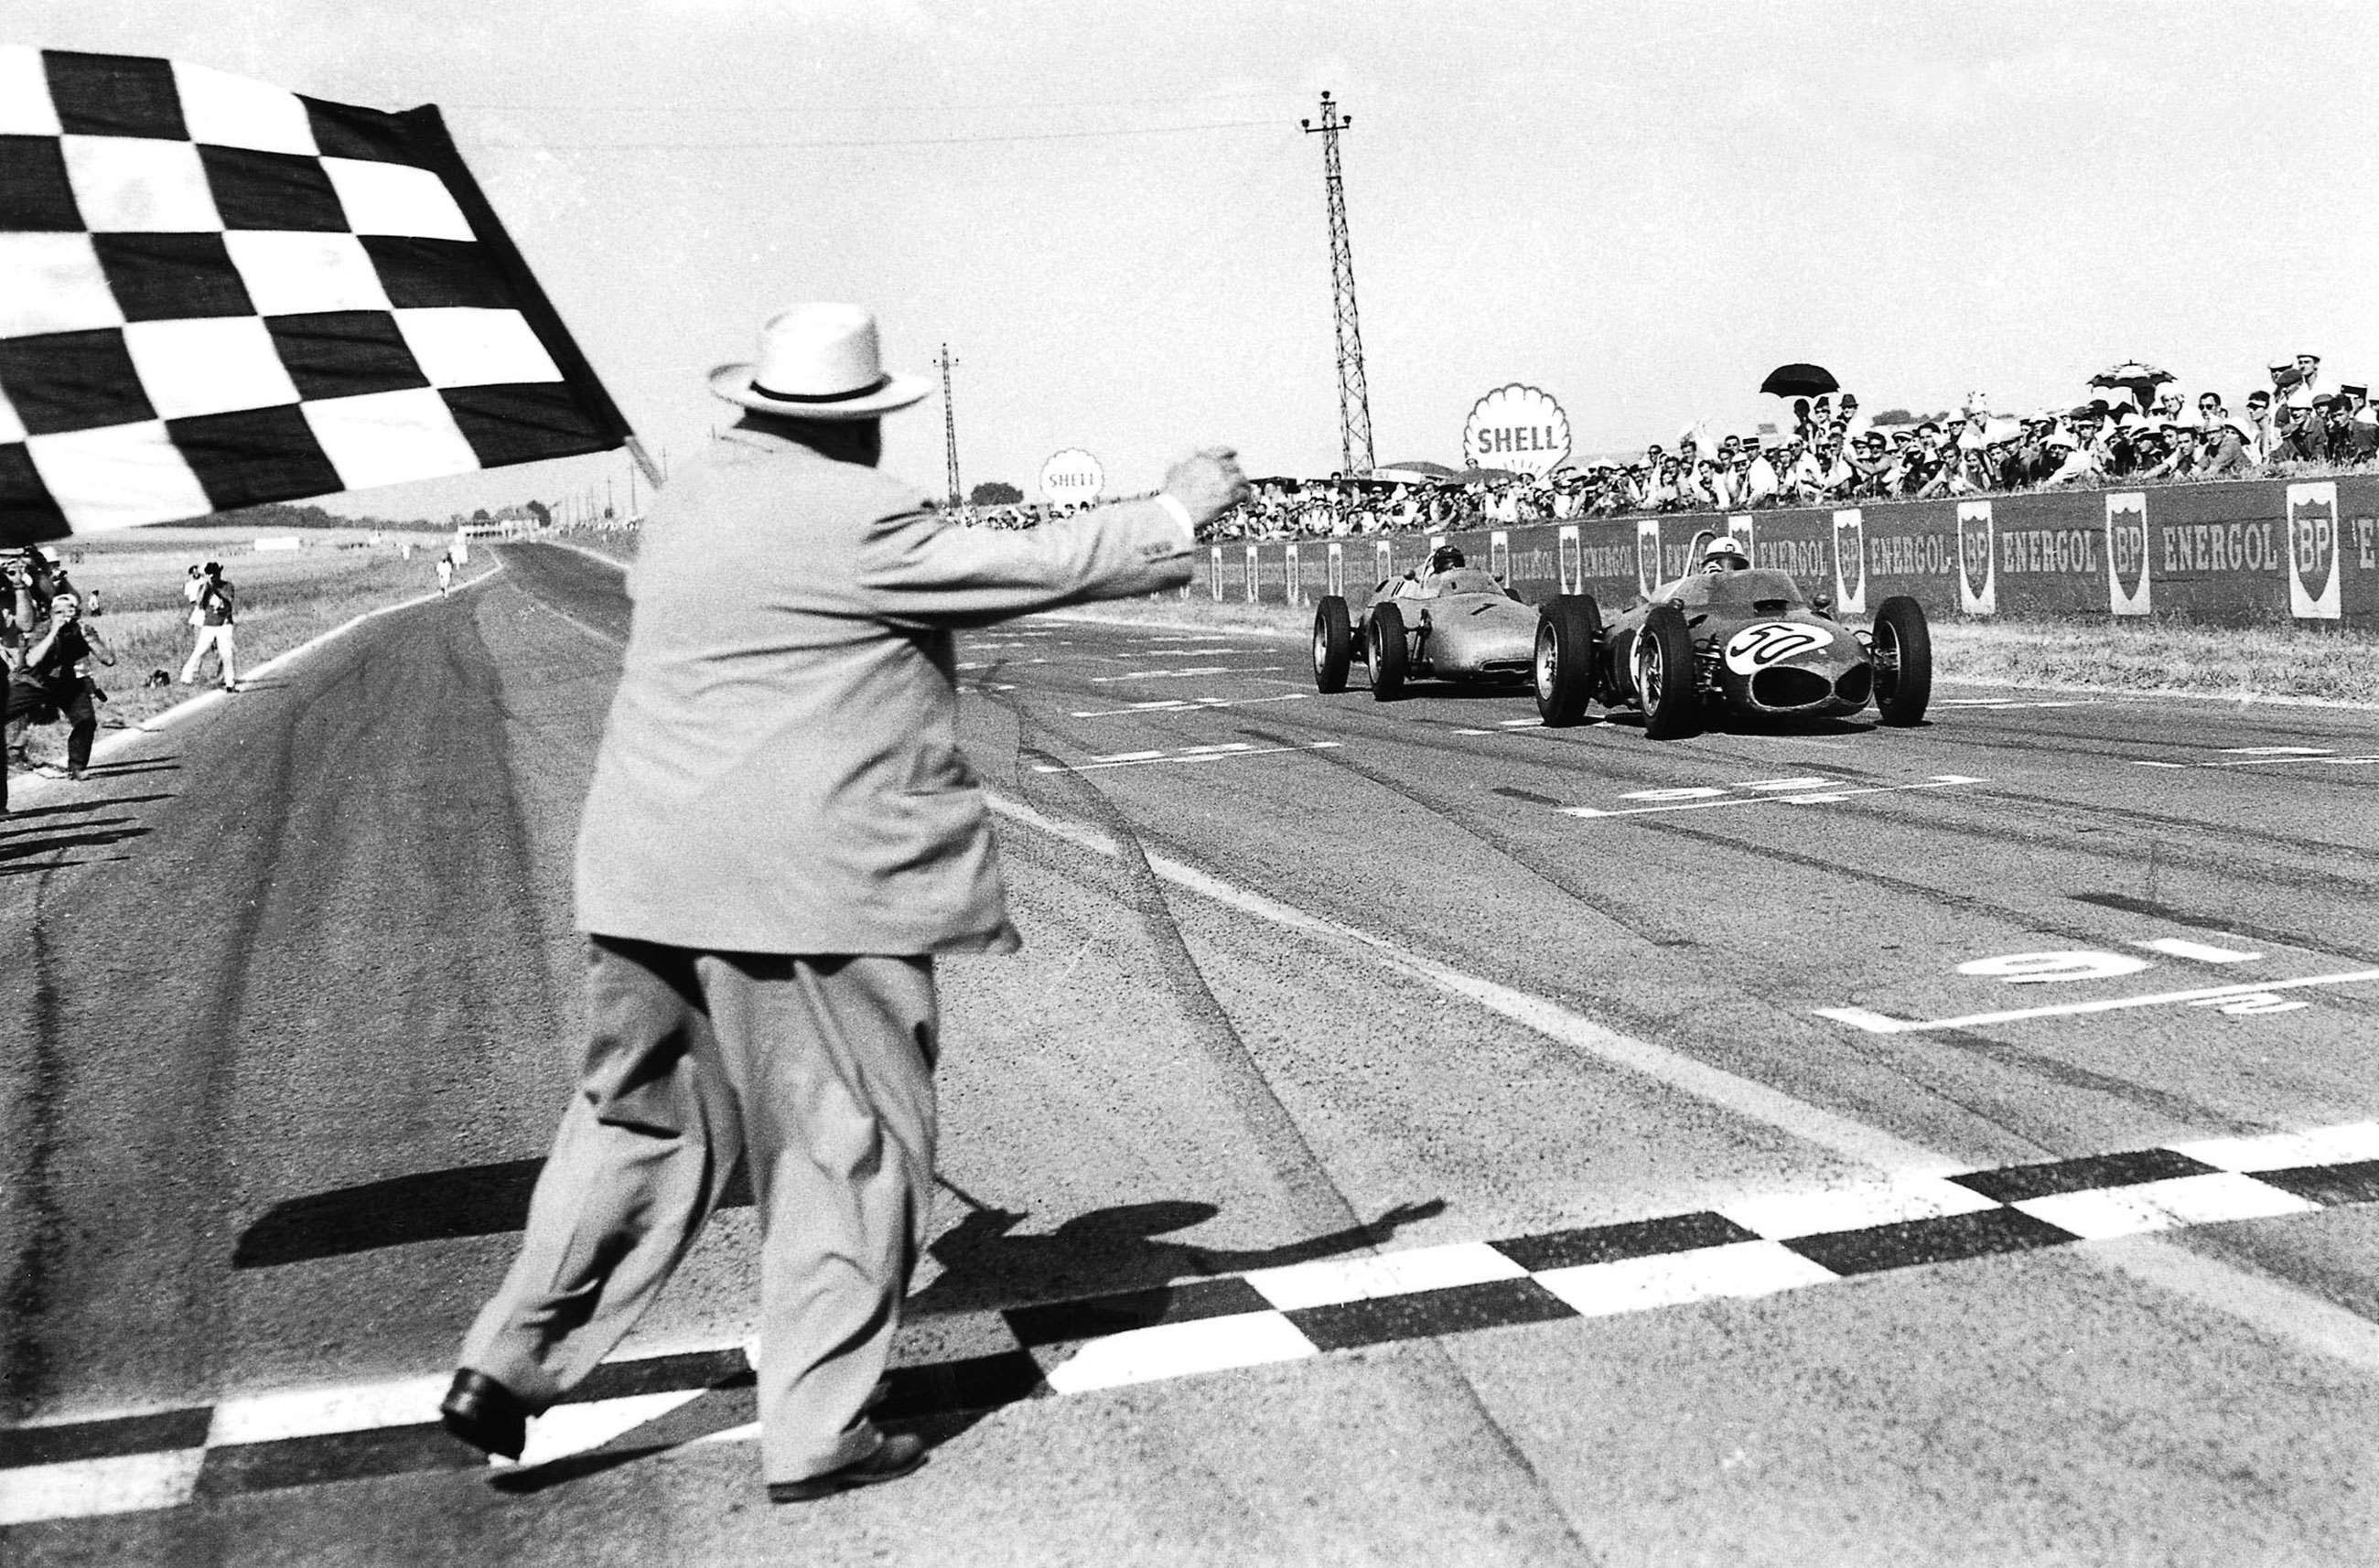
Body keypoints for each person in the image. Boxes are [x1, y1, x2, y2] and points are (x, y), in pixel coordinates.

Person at [439, 302, 1245, 1504]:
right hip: (811, 891)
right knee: (846, 1148)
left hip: (644, 873)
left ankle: (505, 1362)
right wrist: (1174, 508)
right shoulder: (857, 515)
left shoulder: (691, 499)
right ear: (855, 424)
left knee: (634, 1124)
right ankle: (816, 1428)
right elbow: (1024, 565)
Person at [11, 591, 114, 782]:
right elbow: (32, 660)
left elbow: (108, 660)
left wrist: (90, 639)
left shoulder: (83, 630)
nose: (64, 616)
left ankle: (77, 766)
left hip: (68, 683)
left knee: (86, 720)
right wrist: (53, 632)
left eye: (70, 610)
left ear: (77, 613)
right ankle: (13, 755)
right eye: (58, 612)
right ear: (51, 615)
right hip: (34, 683)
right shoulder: (42, 629)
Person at [179, 562, 239, 692]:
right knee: (199, 651)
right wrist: (207, 587)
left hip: (224, 624)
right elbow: (200, 603)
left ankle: (230, 683)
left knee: (227, 654)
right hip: (209, 624)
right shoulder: (204, 587)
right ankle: (186, 676)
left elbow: (228, 601)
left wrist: (215, 590)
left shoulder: (227, 586)